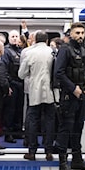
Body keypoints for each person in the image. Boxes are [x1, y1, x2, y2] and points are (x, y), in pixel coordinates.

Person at [53, 22, 85, 170]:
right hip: (68, 95)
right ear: (70, 33)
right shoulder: (64, 50)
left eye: (82, 33)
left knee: (79, 126)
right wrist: (73, 89)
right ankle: (62, 164)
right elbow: (59, 73)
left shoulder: (82, 49)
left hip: (81, 94)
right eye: (77, 33)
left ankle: (77, 159)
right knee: (66, 128)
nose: (80, 36)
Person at [18, 31, 56, 161]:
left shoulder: (29, 53)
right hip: (50, 92)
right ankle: (49, 151)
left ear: (35, 40)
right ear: (46, 41)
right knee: (49, 120)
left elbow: (21, 74)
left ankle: (32, 151)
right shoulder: (52, 52)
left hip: (34, 91)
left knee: (33, 120)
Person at [1, 29, 25, 143]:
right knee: (10, 110)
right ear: (9, 38)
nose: (15, 38)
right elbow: (4, 69)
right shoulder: (6, 51)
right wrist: (8, 84)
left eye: (16, 36)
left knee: (19, 109)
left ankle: (18, 131)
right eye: (12, 36)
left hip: (21, 83)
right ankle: (8, 133)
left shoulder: (22, 51)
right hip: (12, 83)